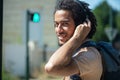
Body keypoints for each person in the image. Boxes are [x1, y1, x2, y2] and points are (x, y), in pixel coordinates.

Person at [45, 0, 103, 80]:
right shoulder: (76, 51)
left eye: (65, 24)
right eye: (56, 24)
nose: (58, 30)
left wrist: (76, 38)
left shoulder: (88, 55)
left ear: (81, 25)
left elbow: (50, 68)